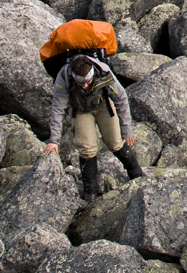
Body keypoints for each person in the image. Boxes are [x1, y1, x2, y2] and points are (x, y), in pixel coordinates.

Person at [45, 54, 143, 200]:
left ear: (92, 73)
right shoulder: (64, 77)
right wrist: (54, 140)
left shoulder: (103, 72)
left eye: (87, 81)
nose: (85, 85)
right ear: (74, 76)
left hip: (103, 106)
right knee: (87, 148)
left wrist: (127, 130)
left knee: (116, 143)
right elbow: (57, 108)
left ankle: (137, 175)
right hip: (80, 110)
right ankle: (90, 192)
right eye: (81, 82)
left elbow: (121, 98)